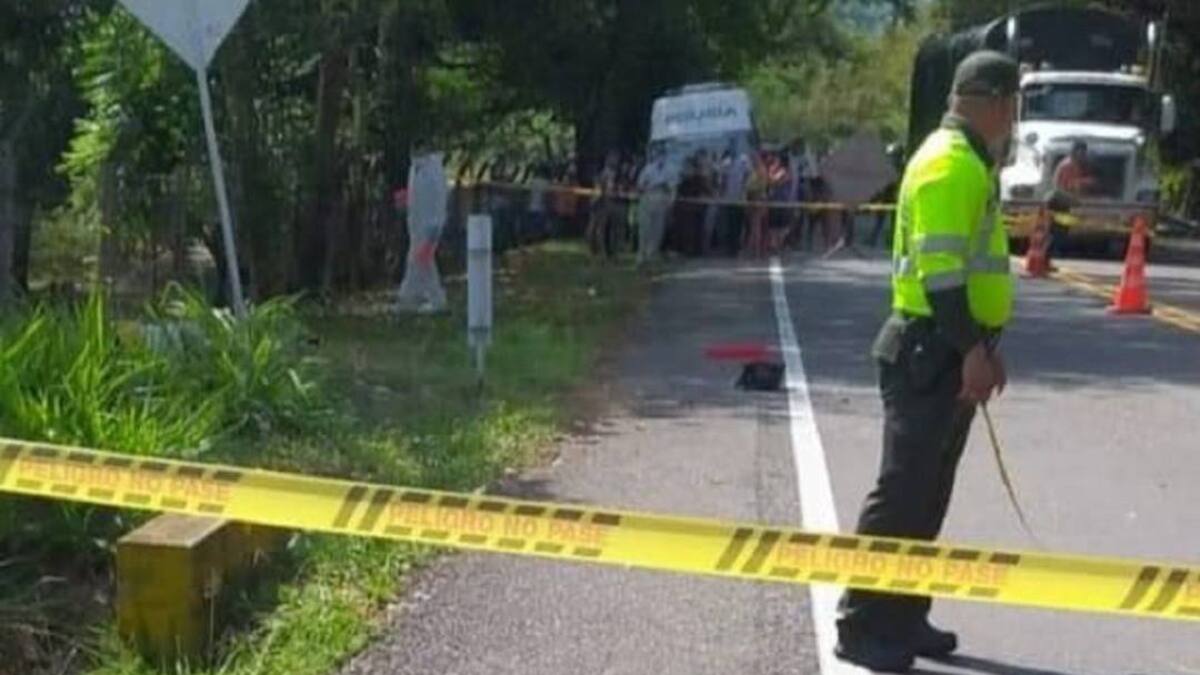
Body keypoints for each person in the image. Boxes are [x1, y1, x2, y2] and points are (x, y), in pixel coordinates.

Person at [835, 51, 1018, 673]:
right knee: (902, 492)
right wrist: (972, 350)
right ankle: (861, 624)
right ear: (997, 103)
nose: (1015, 119)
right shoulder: (949, 165)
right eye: (1014, 105)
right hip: (928, 349)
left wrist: (984, 348)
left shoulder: (969, 162)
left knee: (928, 494)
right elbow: (941, 280)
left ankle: (905, 614)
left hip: (948, 348)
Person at [396, 147, 449, 314]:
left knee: (417, 260)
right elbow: (414, 196)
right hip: (416, 225)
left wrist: (436, 226)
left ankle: (407, 299)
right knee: (423, 262)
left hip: (430, 226)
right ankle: (435, 300)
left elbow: (438, 201)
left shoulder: (434, 172)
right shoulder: (415, 169)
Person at [635, 150, 673, 265]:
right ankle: (641, 255)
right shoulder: (648, 169)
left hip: (661, 201)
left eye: (663, 156)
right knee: (645, 229)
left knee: (657, 230)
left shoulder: (669, 170)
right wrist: (649, 186)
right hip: (648, 199)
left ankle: (651, 254)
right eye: (659, 156)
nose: (661, 158)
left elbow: (671, 188)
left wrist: (669, 202)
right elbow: (640, 185)